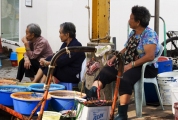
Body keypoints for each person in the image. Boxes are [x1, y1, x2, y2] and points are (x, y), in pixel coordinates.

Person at [86, 5, 160, 120]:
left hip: (145, 67)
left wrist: (131, 65)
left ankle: (122, 114)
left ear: (138, 22)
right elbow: (125, 48)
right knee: (107, 70)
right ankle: (93, 92)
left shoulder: (149, 34)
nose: (128, 20)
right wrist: (115, 58)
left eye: (131, 18)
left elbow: (149, 56)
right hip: (129, 62)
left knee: (124, 78)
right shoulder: (133, 33)